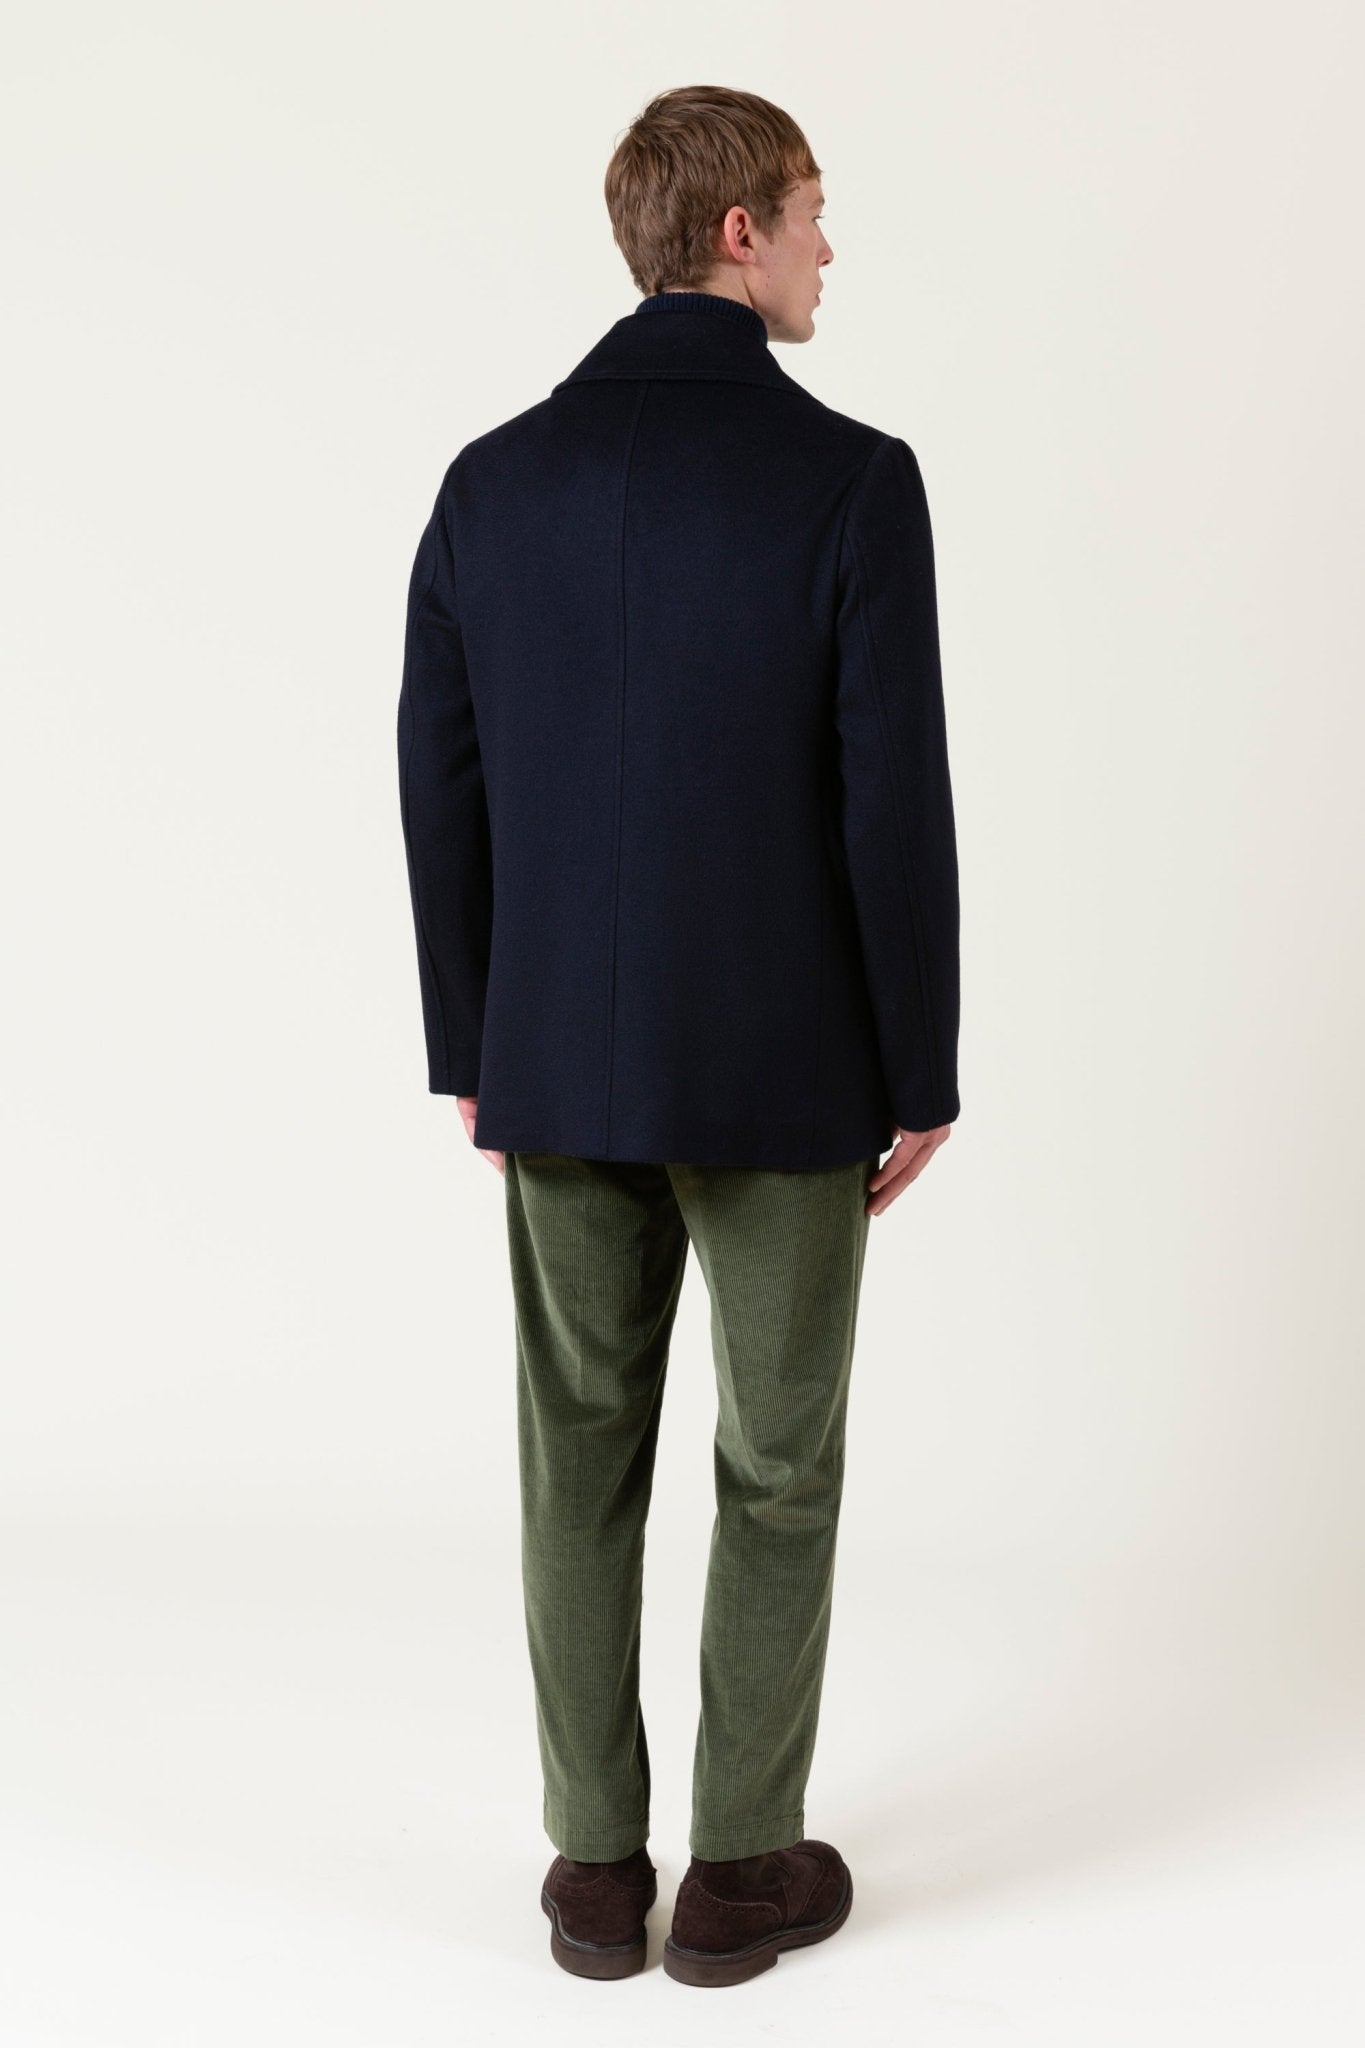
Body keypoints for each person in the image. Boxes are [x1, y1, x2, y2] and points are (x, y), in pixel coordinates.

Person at [396, 83, 961, 1988]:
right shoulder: (850, 481)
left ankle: (589, 1870)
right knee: (776, 1467)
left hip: (556, 1060)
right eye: (810, 212)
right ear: (736, 233)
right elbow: (889, 801)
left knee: (575, 1455)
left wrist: (473, 1041)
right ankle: (735, 1874)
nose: (825, 247)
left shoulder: (492, 483)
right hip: (788, 1069)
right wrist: (917, 1068)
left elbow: (441, 782)